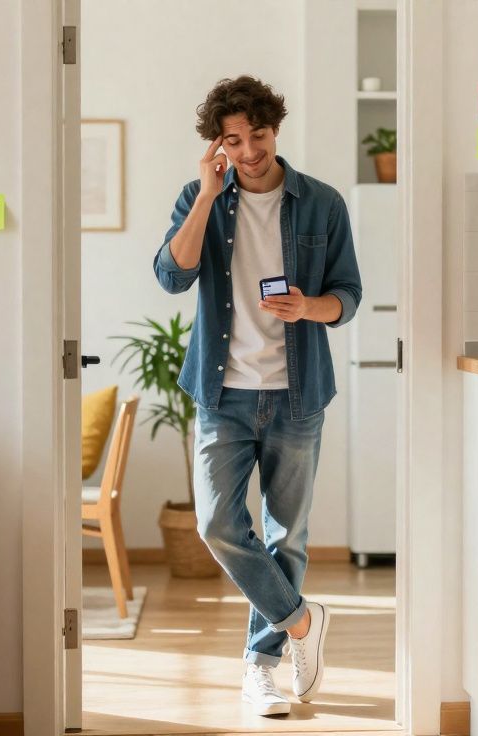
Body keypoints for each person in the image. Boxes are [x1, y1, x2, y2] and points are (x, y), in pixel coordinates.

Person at [152, 75, 363, 717]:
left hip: (298, 394)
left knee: (286, 536)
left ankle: (262, 666)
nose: (249, 151)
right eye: (233, 140)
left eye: (258, 135)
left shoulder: (322, 203)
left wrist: (308, 307)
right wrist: (205, 197)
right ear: (218, 146)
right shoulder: (201, 197)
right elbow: (170, 274)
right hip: (223, 392)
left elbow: (348, 298)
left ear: (276, 130)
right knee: (218, 524)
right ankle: (302, 621)